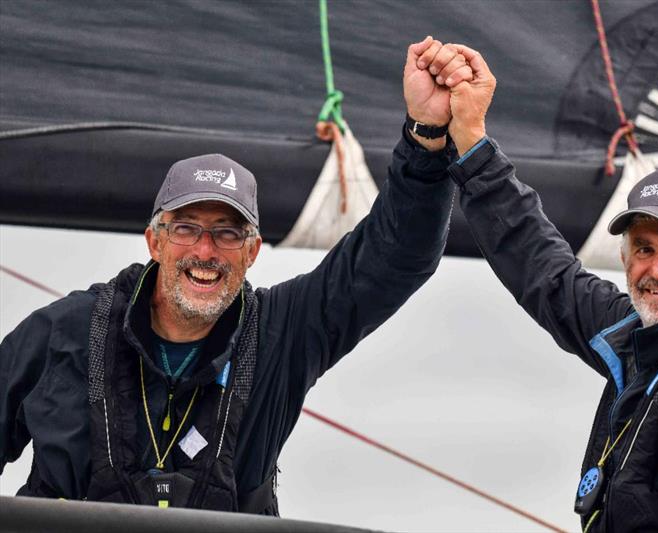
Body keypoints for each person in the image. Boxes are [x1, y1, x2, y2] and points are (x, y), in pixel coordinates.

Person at [0, 37, 472, 514]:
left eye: (227, 234)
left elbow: (395, 258)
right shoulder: (63, 333)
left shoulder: (283, 333)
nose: (206, 251)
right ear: (154, 242)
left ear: (251, 253)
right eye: (186, 228)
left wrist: (426, 137)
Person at [439, 44, 658, 531]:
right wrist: (470, 141)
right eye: (645, 250)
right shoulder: (638, 338)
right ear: (626, 261)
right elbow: (546, 272)